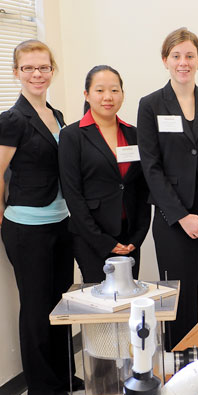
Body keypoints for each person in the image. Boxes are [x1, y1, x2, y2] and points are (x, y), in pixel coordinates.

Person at [0, 39, 81, 395]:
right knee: (37, 308)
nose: (37, 74)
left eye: (43, 67)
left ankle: (64, 377)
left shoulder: (55, 115)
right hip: (27, 227)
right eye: (28, 68)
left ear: (52, 70)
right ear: (16, 73)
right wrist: (2, 214)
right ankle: (43, 388)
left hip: (59, 223)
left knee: (60, 304)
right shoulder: (12, 119)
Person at [137, 28, 198, 349]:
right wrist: (183, 217)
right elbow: (151, 167)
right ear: (165, 60)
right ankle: (183, 374)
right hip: (173, 221)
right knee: (180, 300)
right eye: (176, 56)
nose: (183, 62)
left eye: (189, 55)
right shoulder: (149, 105)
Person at [59, 65, 151, 283]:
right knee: (100, 306)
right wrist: (102, 241)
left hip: (129, 238)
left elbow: (142, 189)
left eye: (114, 90)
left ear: (122, 94)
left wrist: (138, 236)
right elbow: (73, 195)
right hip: (91, 239)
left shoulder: (135, 134)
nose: (108, 97)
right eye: (100, 90)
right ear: (87, 95)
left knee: (127, 301)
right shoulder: (72, 136)